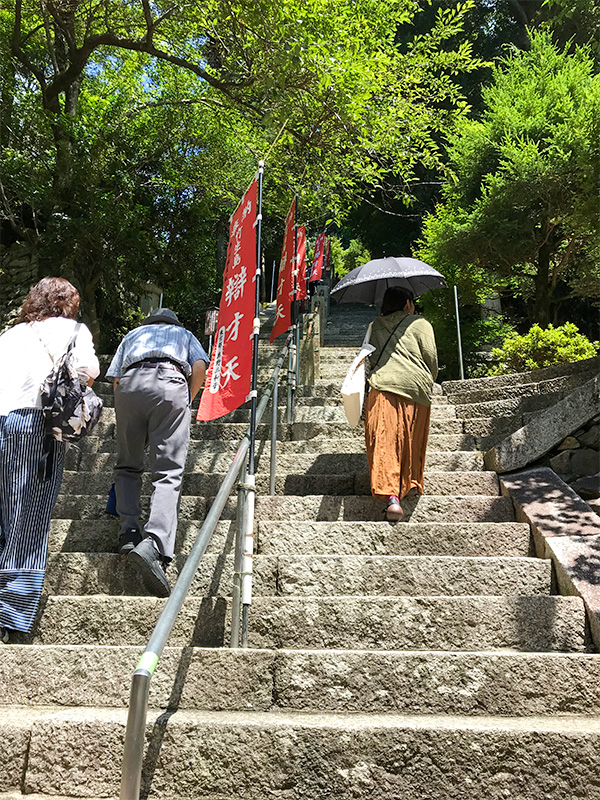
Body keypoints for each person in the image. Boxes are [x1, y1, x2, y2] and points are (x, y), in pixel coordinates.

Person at [0, 277, 99, 643]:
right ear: (68, 303)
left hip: (2, 419)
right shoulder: (73, 330)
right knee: (31, 515)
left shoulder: (10, 335)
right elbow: (90, 372)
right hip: (36, 427)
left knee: (5, 513)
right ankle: (13, 615)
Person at [106, 308, 209, 597]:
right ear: (173, 322)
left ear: (149, 322)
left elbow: (114, 379)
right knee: (168, 471)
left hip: (129, 386)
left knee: (127, 465)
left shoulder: (133, 335)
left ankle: (128, 532)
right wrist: (185, 400)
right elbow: (199, 367)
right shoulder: (184, 334)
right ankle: (154, 543)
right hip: (169, 382)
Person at [364, 286, 438, 522]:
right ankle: (412, 483)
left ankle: (392, 498)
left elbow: (371, 358)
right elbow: (431, 357)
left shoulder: (375, 325)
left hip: (384, 386)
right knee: (411, 441)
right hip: (416, 388)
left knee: (384, 441)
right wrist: (428, 380)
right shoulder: (421, 324)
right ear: (408, 303)